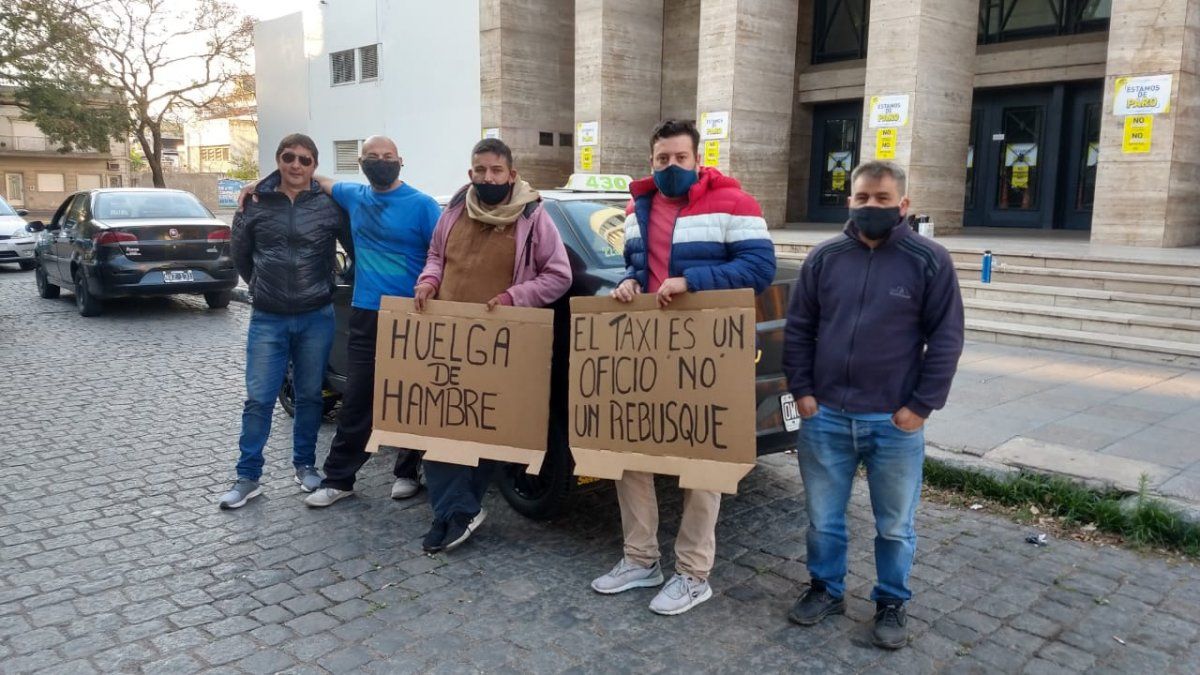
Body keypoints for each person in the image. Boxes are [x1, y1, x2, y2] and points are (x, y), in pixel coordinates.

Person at [591, 119, 776, 616]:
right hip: (648, 348)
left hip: (707, 353)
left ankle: (694, 574)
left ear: (698, 159)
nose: (670, 167)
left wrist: (690, 280)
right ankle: (640, 559)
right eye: (662, 159)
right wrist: (629, 283)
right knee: (628, 451)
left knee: (703, 462)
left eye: (679, 158)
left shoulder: (737, 203)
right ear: (651, 161)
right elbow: (638, 265)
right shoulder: (635, 207)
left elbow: (759, 270)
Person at [782, 161, 964, 649]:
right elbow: (799, 329)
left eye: (882, 199)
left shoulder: (929, 261)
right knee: (823, 518)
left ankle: (891, 601)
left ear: (902, 205)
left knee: (895, 526)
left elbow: (946, 339)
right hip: (827, 418)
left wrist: (921, 407)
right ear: (850, 201)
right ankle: (825, 588)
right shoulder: (824, 259)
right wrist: (803, 393)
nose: (871, 207)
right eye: (863, 198)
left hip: (894, 422)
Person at [411, 138, 571, 553]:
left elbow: (559, 276)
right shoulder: (453, 209)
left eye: (496, 171)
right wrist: (429, 280)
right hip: (447, 337)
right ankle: (455, 511)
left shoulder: (534, 217)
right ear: (470, 174)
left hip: (500, 344)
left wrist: (513, 298)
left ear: (511, 175)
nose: (488, 178)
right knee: (437, 426)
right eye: (480, 171)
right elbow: (435, 256)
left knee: (483, 428)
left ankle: (457, 512)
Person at [296, 136, 442, 508]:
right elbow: (319, 180)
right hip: (365, 311)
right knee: (359, 397)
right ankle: (339, 479)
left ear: (400, 161)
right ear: (361, 162)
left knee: (412, 397)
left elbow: (441, 256)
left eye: (388, 157)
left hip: (412, 313)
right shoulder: (355, 196)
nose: (381, 161)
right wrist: (258, 185)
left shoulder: (423, 206)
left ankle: (408, 473)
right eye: (373, 157)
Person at [218, 133, 351, 509]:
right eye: (289, 157)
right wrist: (261, 286)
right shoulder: (255, 202)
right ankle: (248, 477)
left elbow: (353, 248)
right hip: (268, 317)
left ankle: (305, 465)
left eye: (305, 160)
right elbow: (240, 254)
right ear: (278, 159)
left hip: (316, 315)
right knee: (259, 399)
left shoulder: (328, 206)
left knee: (310, 395)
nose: (296, 165)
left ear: (314, 166)